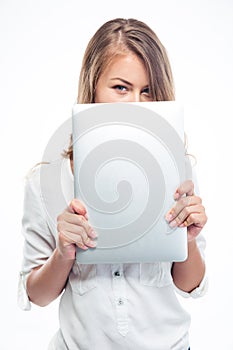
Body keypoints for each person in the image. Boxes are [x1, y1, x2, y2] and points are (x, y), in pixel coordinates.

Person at [18, 18, 208, 350]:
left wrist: (187, 240)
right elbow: (37, 294)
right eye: (121, 87)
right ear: (92, 87)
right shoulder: (45, 180)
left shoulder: (177, 169)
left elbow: (190, 285)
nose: (136, 104)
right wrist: (63, 253)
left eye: (148, 91)